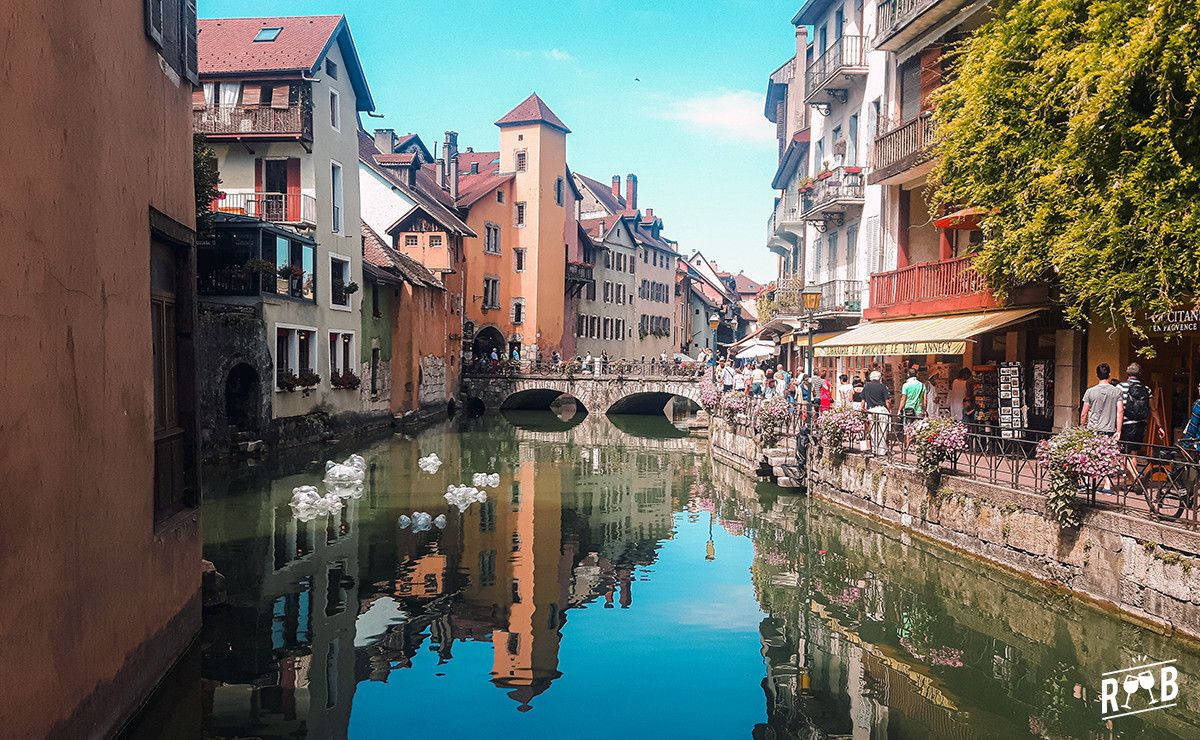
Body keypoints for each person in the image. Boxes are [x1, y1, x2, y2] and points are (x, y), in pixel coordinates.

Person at [1080, 363, 1123, 439]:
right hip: (1109, 429)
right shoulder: (1117, 392)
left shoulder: (1090, 391)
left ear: (1097, 375)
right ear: (1109, 374)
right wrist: (1118, 431)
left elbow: (1084, 413)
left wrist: (1082, 428)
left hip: (1093, 429)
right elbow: (1120, 412)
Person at [1118, 362, 1153, 451]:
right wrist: (1159, 425)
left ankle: (1130, 466)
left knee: (1125, 454)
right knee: (1134, 453)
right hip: (1140, 425)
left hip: (1125, 425)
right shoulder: (1146, 389)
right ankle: (1134, 465)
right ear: (1139, 374)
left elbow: (1120, 410)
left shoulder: (1121, 387)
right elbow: (1153, 409)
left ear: (1127, 373)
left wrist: (1118, 429)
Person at [863, 370, 893, 455]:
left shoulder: (866, 386)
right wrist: (889, 410)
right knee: (882, 430)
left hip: (871, 410)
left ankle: (874, 450)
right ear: (879, 378)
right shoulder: (883, 386)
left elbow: (863, 400)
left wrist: (863, 409)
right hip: (881, 410)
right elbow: (887, 401)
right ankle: (882, 451)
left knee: (873, 430)